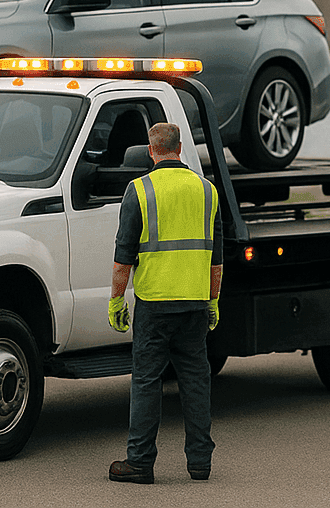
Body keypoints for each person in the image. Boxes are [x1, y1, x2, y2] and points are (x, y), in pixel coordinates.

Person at [107, 122, 223, 484]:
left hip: (155, 302)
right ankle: (200, 463)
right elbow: (217, 257)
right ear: (180, 147)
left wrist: (116, 300)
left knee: (146, 381)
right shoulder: (207, 191)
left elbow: (123, 255)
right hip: (194, 301)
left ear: (151, 150)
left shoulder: (139, 190)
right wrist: (213, 300)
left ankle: (140, 463)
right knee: (196, 381)